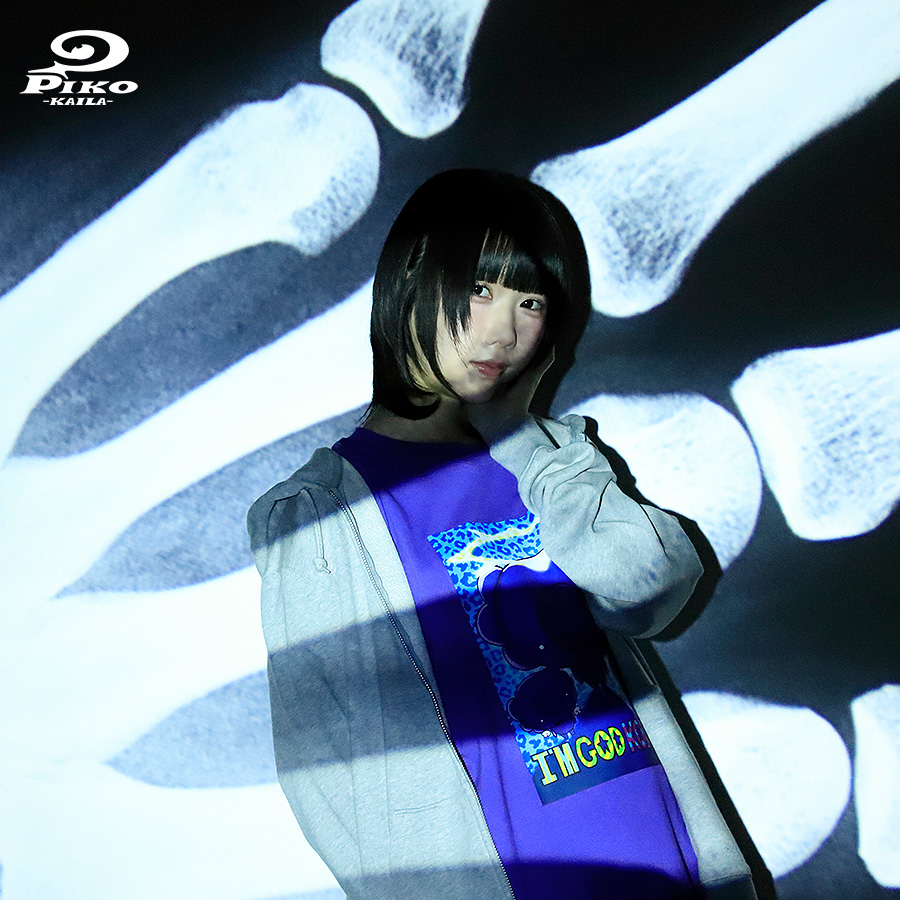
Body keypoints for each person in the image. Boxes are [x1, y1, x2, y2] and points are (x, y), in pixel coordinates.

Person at [248, 170, 758, 899]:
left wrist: (521, 437)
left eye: (530, 303)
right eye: (480, 289)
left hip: (665, 863)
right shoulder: (320, 517)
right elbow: (333, 781)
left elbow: (650, 586)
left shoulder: (546, 464)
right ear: (411, 279)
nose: (502, 331)